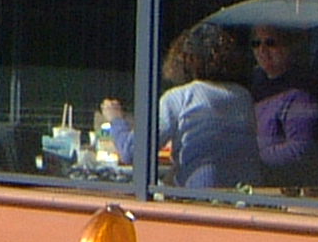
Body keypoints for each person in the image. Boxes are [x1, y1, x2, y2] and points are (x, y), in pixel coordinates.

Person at [103, 23, 265, 190]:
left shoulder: (179, 98)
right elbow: (219, 151)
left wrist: (116, 119)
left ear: (185, 59)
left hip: (201, 199)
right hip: (245, 197)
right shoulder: (242, 97)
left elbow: (132, 152)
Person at [248, 25, 318, 188]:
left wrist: (253, 156)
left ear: (289, 46)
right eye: (256, 44)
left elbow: (298, 149)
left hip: (283, 186)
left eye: (270, 43)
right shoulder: (253, 84)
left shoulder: (299, 94)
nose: (262, 50)